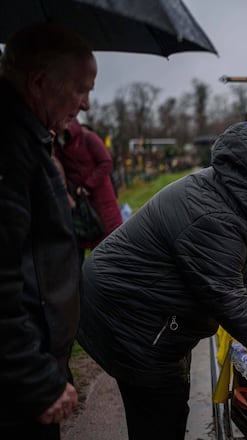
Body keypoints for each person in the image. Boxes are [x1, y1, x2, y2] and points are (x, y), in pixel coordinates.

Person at [77, 123, 247, 439]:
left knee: (169, 404)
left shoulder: (234, 200)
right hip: (128, 317)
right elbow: (229, 298)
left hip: (147, 312)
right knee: (161, 413)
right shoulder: (212, 218)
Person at [0, 24, 96, 438]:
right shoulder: (8, 144)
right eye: (81, 89)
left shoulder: (27, 136)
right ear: (39, 83)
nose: (87, 104)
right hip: (14, 386)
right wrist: (35, 377)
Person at [54, 119, 123, 262]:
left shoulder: (88, 137)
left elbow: (106, 161)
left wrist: (88, 185)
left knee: (110, 246)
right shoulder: (57, 144)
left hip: (100, 201)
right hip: (80, 205)